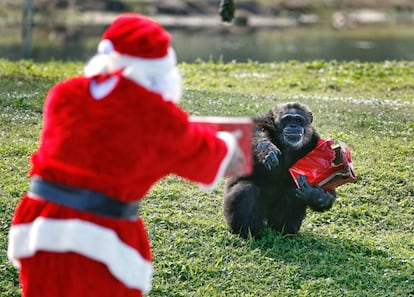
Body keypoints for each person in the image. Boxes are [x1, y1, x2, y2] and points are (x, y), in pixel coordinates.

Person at [8, 13, 244, 297]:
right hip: (101, 237)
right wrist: (228, 148)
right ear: (161, 71)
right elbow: (210, 159)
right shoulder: (158, 117)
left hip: (40, 225)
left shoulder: (64, 94)